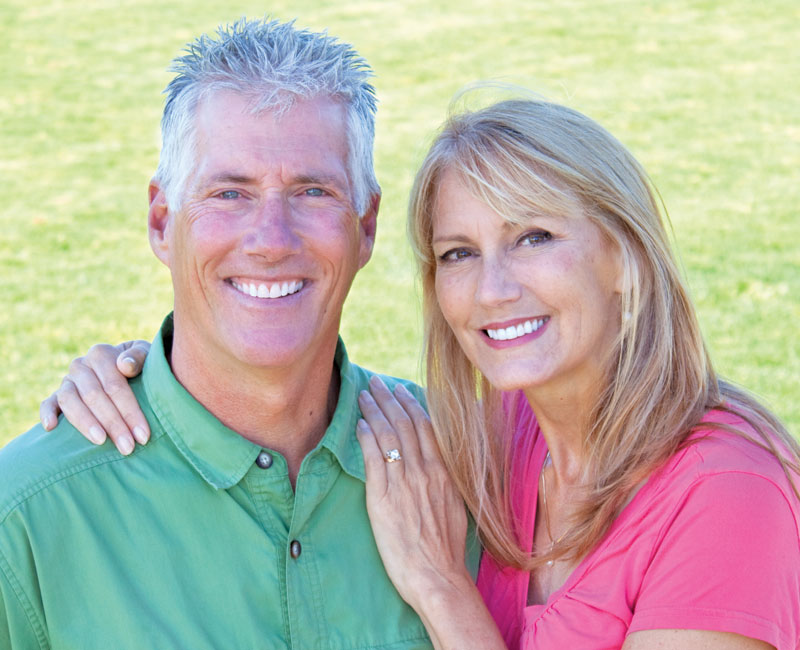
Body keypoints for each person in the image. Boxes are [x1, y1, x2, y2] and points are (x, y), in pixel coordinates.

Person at [45, 96, 800, 649]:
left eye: (533, 237)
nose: (493, 288)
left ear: (624, 259)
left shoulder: (729, 492)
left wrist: (442, 590)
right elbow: (288, 397)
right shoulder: (486, 440)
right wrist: (135, 378)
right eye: (459, 253)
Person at [0, 18, 480, 648]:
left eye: (312, 191)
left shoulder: (468, 465)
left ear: (365, 227)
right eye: (229, 193)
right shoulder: (27, 519)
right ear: (161, 222)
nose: (272, 240)